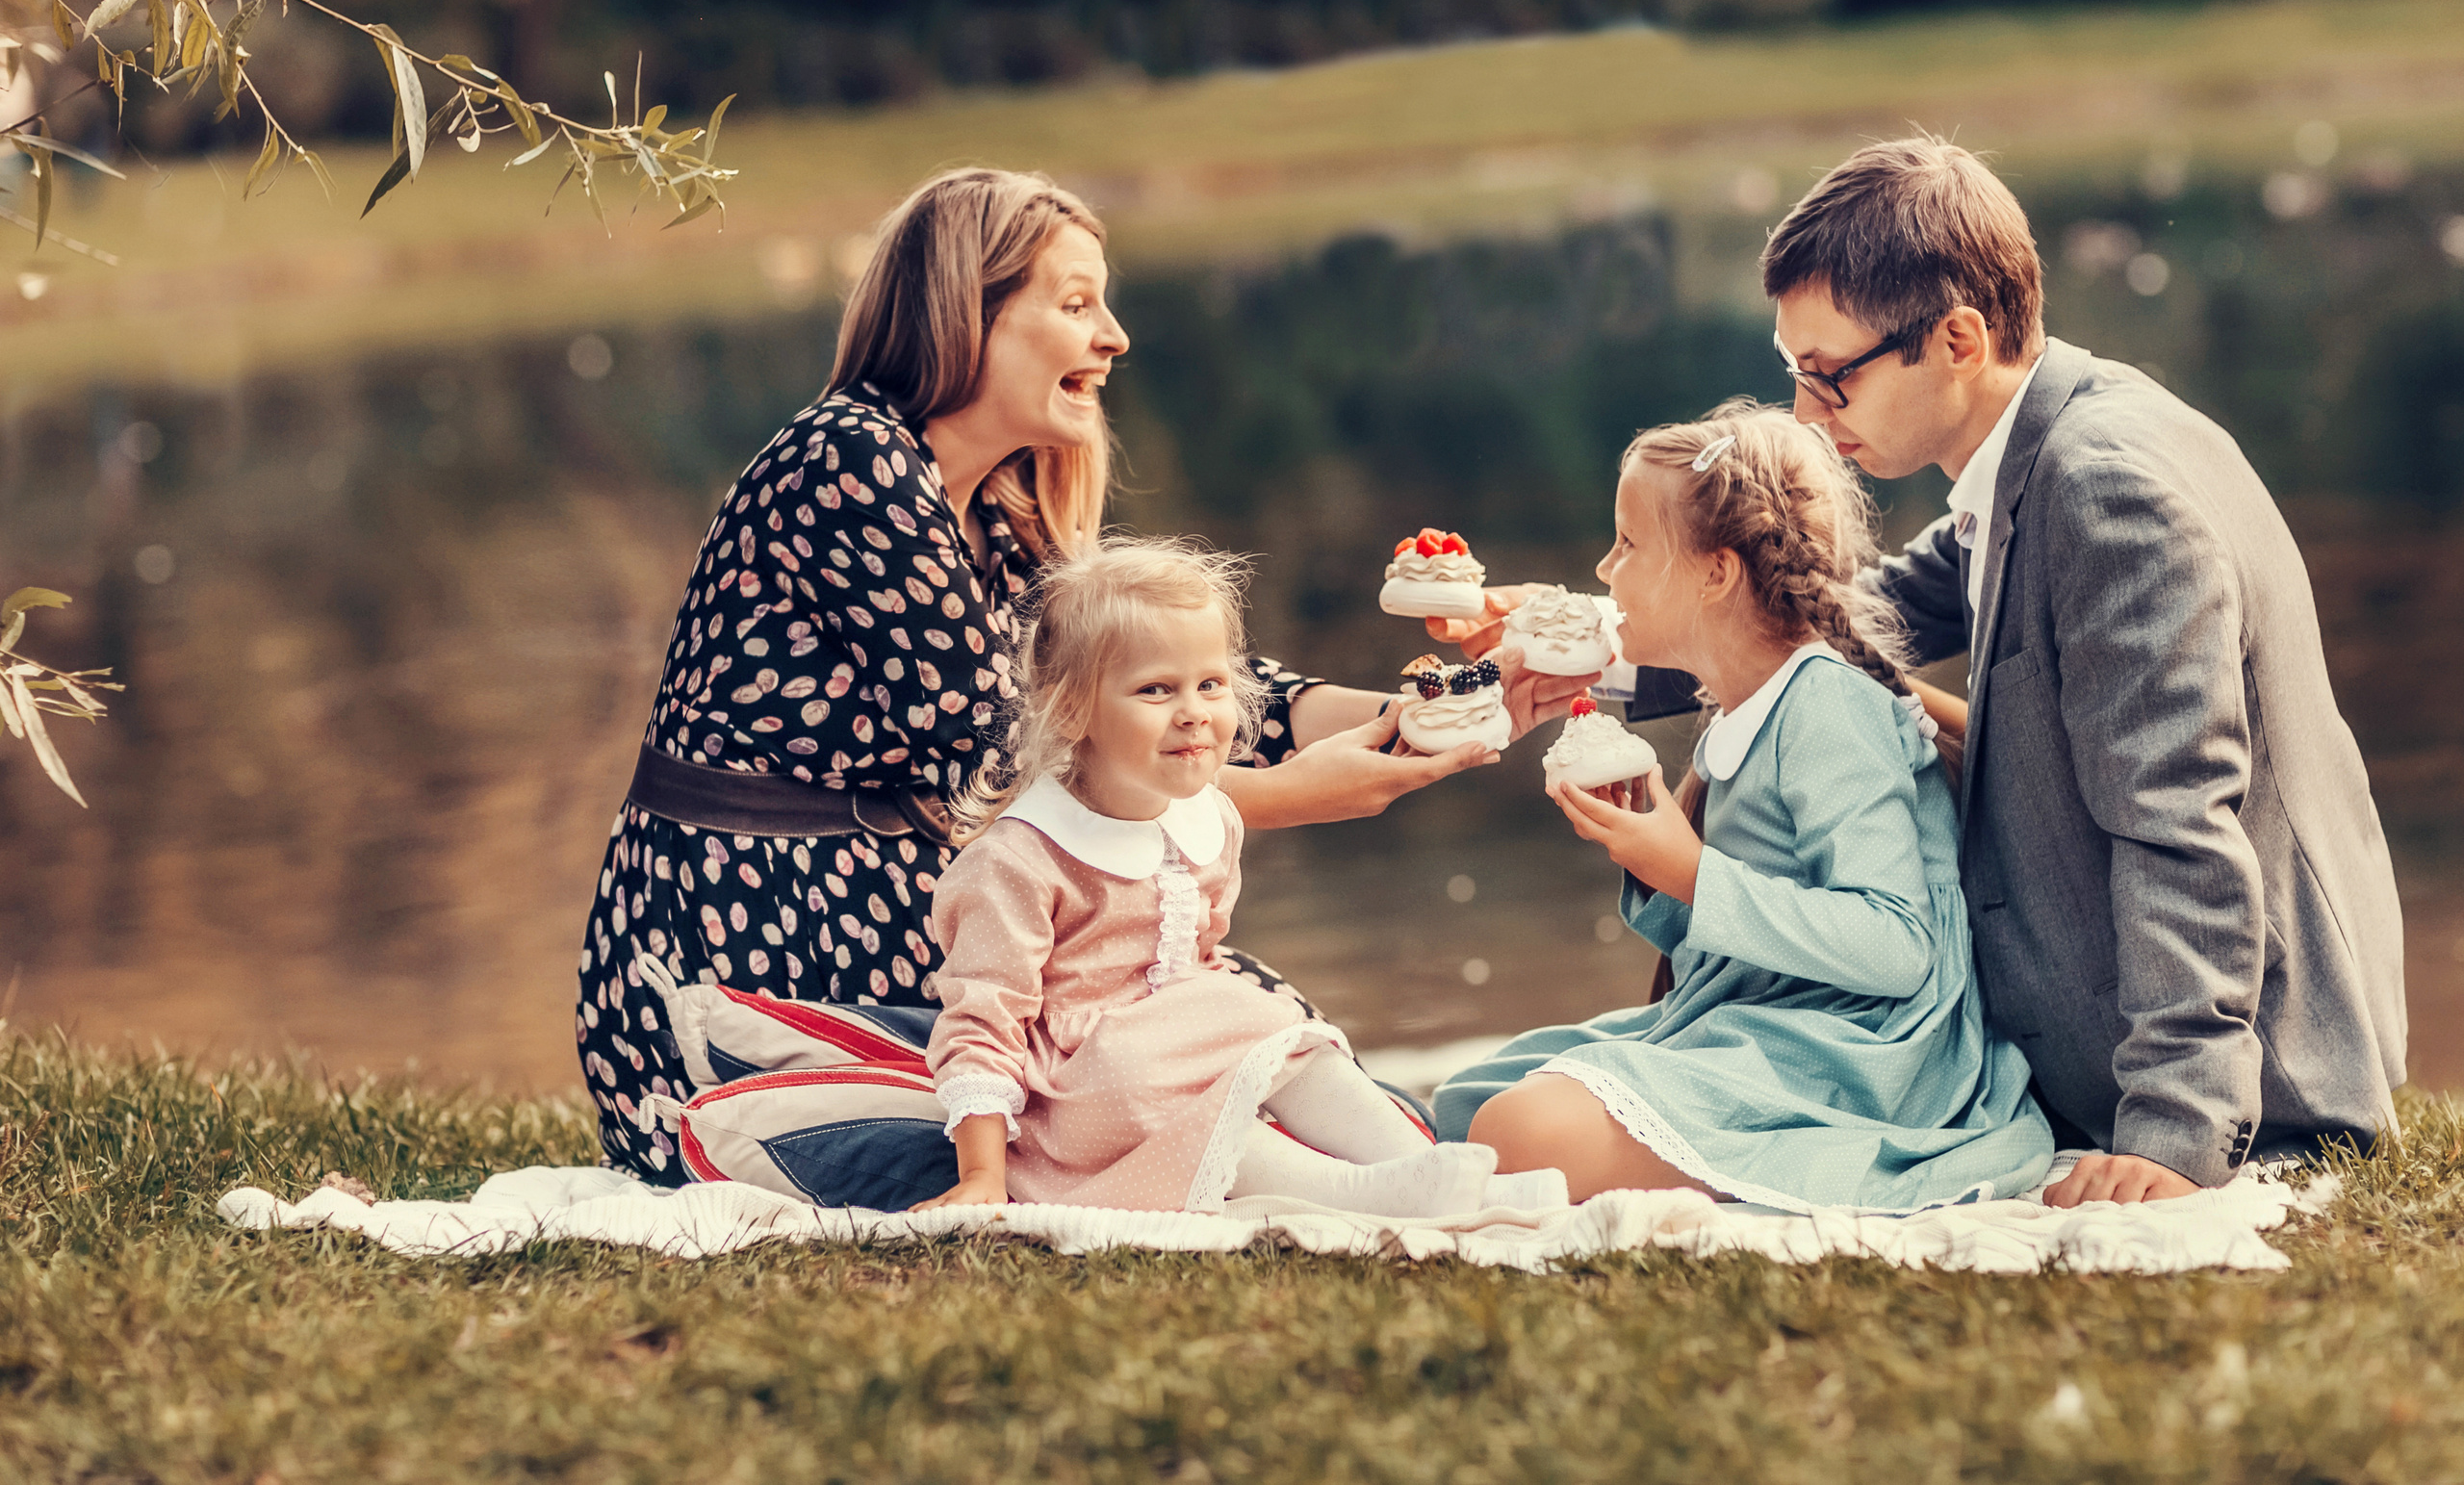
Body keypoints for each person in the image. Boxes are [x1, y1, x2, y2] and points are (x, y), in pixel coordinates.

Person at [578, 167, 1585, 1184]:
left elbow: (1187, 684)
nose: (1114, 336)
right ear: (964, 316)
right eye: (1074, 304)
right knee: (1153, 1080)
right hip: (745, 940)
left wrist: (1440, 710)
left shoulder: (1005, 504)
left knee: (1258, 1040)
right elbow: (1016, 754)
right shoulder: (850, 459)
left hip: (912, 915)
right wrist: (1291, 797)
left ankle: (1410, 1175)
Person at [1764, 136, 2405, 1205]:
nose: (1803, 414)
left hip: (2270, 1075)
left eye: (1827, 376)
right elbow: (1849, 614)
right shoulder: (2041, 437)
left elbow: (2179, 824)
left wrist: (2172, 1134)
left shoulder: (2104, 492)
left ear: (1957, 339)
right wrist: (1598, 652)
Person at [1433, 405, 2053, 1210]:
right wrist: (1651, 866)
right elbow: (1740, 938)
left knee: (1518, 1136)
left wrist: (1689, 871)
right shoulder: (1743, 703)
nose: (1602, 568)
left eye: (1627, 544)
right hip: (1758, 1018)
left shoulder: (1830, 708)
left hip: (1863, 1058)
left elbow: (1899, 949)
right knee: (1467, 1100)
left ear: (1716, 574)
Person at [914, 539, 1565, 1216]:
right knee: (1146, 1075)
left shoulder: (1209, 820)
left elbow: (1198, 954)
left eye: (1211, 684)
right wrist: (982, 1175)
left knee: (1276, 1025)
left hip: (1179, 1036)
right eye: (1155, 689)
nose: (1193, 710)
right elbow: (981, 1026)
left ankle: (1423, 1166)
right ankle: (1360, 1193)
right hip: (1091, 1094)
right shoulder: (1019, 859)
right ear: (1073, 707)